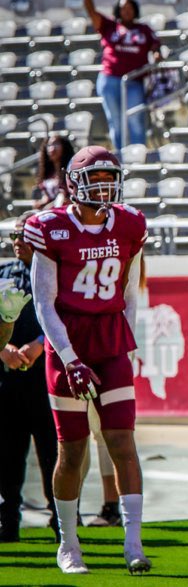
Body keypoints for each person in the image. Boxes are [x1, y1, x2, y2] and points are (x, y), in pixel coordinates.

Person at [24, 146, 150, 574]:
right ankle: (69, 545)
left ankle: (133, 544)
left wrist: (127, 341)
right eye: (95, 178)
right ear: (75, 183)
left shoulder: (130, 223)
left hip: (110, 338)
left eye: (109, 177)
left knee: (122, 443)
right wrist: (70, 358)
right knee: (72, 450)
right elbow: (44, 303)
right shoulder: (50, 226)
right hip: (68, 341)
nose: (104, 185)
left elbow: (130, 290)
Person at [0, 211, 55, 543]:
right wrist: (2, 349)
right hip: (7, 379)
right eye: (14, 237)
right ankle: (8, 521)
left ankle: (63, 520)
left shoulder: (58, 275)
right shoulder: (2, 274)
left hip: (46, 378)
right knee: (7, 456)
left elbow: (70, 321)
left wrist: (39, 346)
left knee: (54, 454)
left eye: (24, 235)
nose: (18, 242)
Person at [78, 0, 161, 152]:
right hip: (110, 79)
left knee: (136, 118)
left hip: (134, 80)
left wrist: (156, 55)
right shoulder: (109, 26)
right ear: (118, 10)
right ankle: (121, 158)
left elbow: (155, 46)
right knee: (115, 120)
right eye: (124, 8)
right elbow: (91, 12)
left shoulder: (144, 29)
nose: (127, 11)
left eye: (130, 7)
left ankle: (139, 156)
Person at [34, 134, 75, 210]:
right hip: (50, 210)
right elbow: (47, 197)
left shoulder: (71, 171)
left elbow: (67, 199)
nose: (52, 148)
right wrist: (41, 203)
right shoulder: (47, 173)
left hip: (65, 212)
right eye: (49, 145)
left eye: (56, 144)